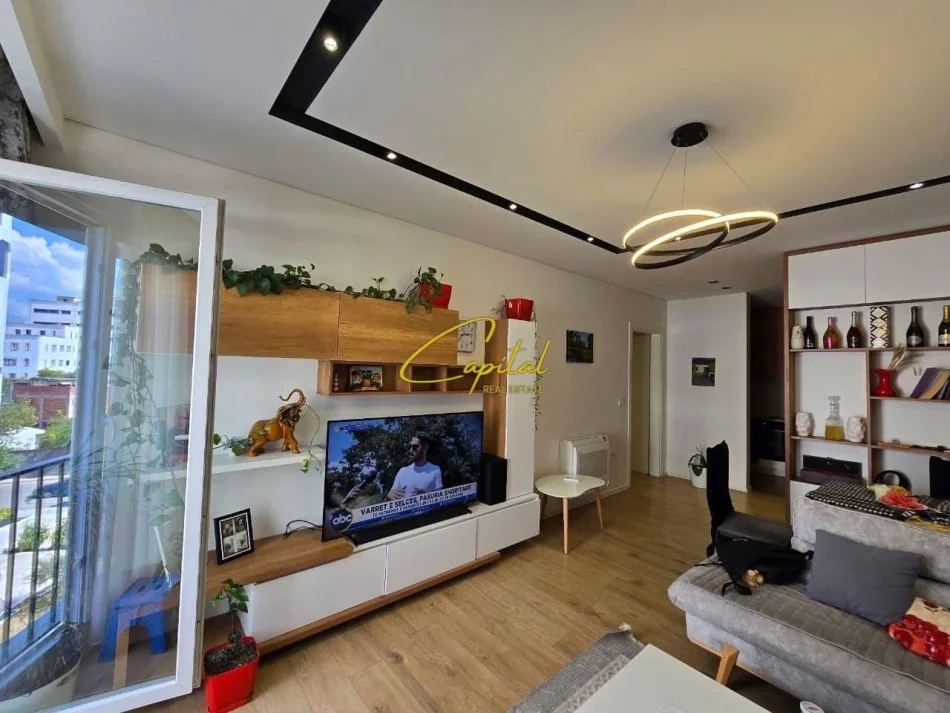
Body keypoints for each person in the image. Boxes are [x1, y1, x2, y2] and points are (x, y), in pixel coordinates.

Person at [385, 432, 442, 500]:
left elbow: (441, 499)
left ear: (425, 448)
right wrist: (388, 496)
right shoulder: (402, 471)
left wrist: (425, 497)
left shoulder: (435, 470)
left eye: (414, 447)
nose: (410, 451)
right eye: (410, 447)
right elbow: (389, 500)